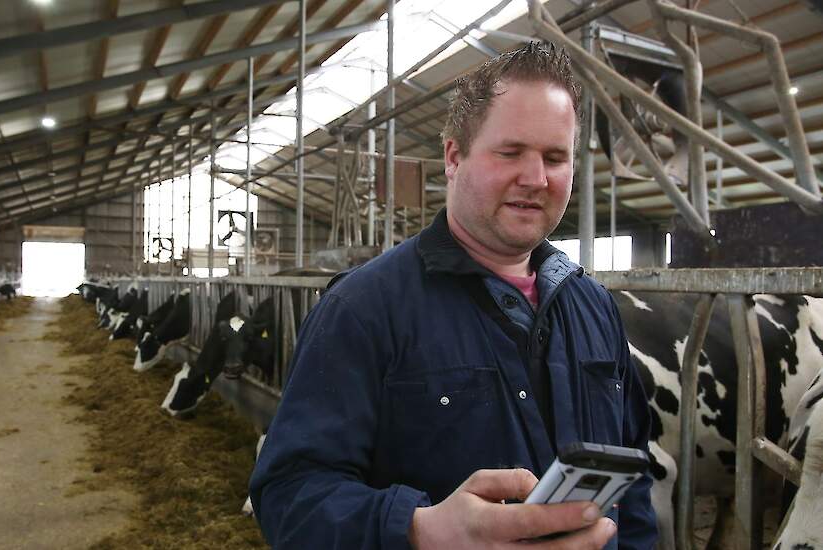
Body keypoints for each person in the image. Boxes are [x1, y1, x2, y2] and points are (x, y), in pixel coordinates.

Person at [249, 42, 657, 550]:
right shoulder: (362, 310)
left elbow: (633, 480)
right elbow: (288, 494)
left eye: (555, 157)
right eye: (510, 152)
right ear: (454, 157)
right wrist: (416, 529)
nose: (535, 179)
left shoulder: (594, 306)